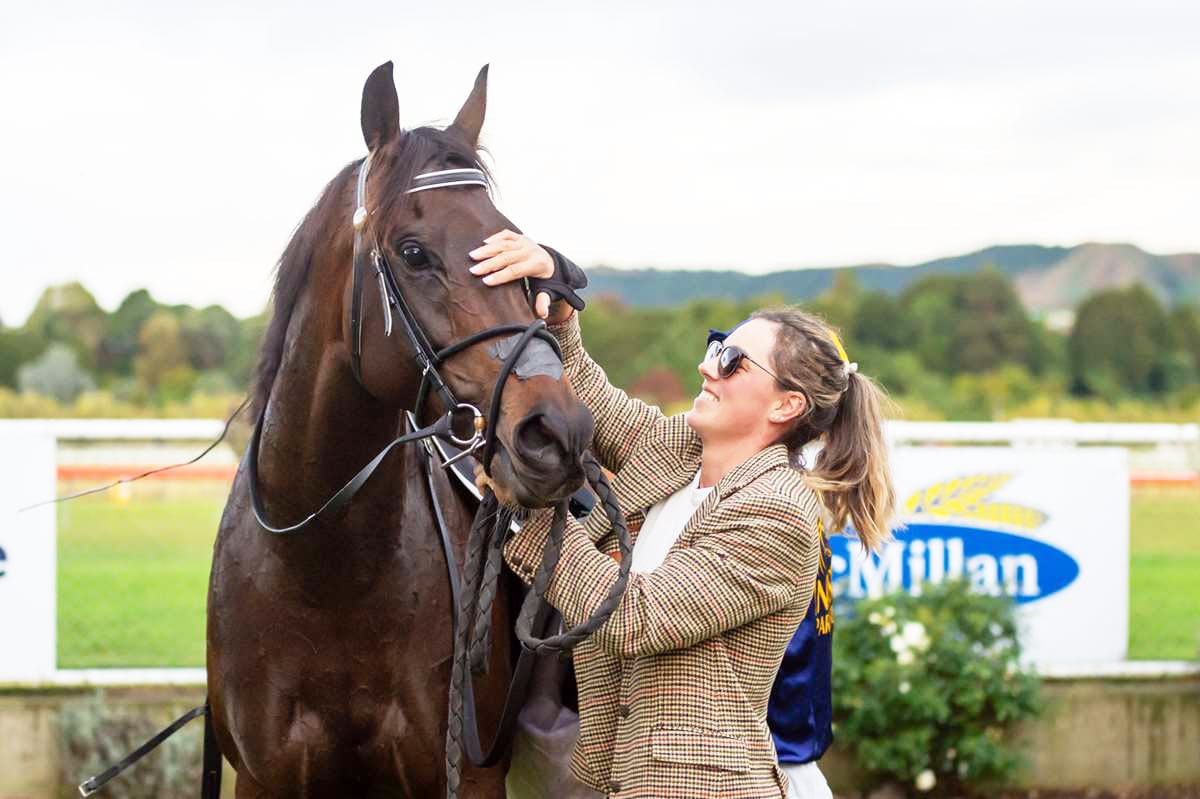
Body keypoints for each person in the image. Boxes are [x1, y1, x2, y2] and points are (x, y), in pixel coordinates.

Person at [470, 230, 895, 798]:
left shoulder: (778, 511)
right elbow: (593, 397)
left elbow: (634, 617)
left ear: (786, 404)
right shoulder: (678, 452)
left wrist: (534, 507)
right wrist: (559, 304)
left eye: (732, 361)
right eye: (716, 347)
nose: (706, 367)